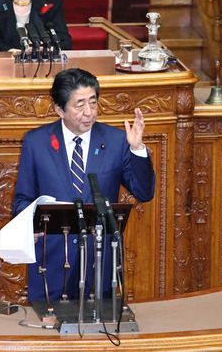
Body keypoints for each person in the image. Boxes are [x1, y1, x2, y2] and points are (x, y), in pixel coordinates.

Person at [13, 68, 155, 302]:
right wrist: (30, 224)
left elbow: (144, 192)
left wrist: (137, 149)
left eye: (93, 102)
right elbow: (21, 200)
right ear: (59, 109)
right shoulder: (36, 142)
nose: (89, 112)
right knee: (48, 336)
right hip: (51, 260)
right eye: (79, 105)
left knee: (97, 334)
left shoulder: (116, 140)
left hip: (99, 263)